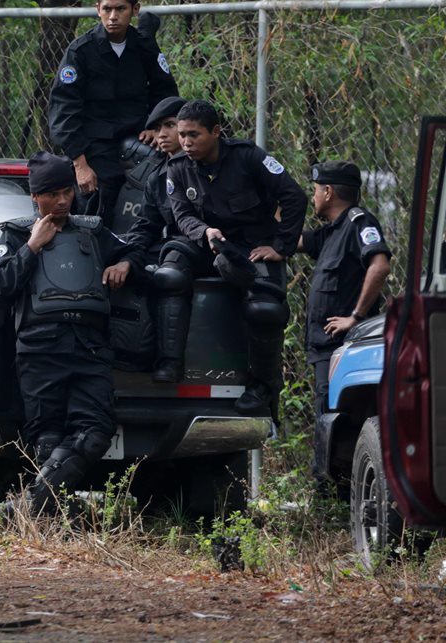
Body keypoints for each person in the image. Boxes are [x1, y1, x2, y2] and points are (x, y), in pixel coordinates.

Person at [0, 152, 142, 513]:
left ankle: (30, 506)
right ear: (34, 197)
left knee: (96, 430)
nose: (61, 201)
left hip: (89, 349)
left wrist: (125, 263)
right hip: (40, 350)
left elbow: (133, 249)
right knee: (46, 436)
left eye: (67, 192)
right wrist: (32, 246)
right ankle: (49, 518)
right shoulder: (15, 232)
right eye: (52, 194)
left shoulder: (91, 229)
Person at [154, 100, 308, 412]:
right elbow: (181, 215)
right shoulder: (178, 168)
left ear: (215, 132)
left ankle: (261, 387)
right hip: (203, 242)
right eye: (182, 134)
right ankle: (169, 363)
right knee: (170, 274)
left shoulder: (248, 157)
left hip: (250, 245)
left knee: (265, 309)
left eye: (194, 135)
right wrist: (204, 232)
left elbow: (294, 196)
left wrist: (281, 246)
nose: (186, 142)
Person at [48, 0, 179, 227]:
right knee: (98, 205)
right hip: (95, 143)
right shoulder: (80, 52)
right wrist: (80, 163)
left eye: (120, 9)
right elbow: (63, 109)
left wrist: (156, 127)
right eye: (107, 9)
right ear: (98, 8)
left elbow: (166, 92)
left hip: (139, 136)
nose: (113, 16)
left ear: (135, 10)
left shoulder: (144, 46)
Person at [299, 161, 391, 477]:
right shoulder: (332, 232)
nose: (313, 197)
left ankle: (331, 498)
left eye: (314, 191)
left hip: (344, 348)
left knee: (340, 421)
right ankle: (330, 494)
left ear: (328, 191)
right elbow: (291, 241)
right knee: (327, 419)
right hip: (325, 348)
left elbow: (379, 266)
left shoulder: (359, 222)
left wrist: (355, 317)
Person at [123, 96, 187, 263]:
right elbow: (146, 225)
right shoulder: (157, 178)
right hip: (176, 246)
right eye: (157, 129)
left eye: (170, 125)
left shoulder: (208, 164)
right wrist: (128, 259)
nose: (162, 134)